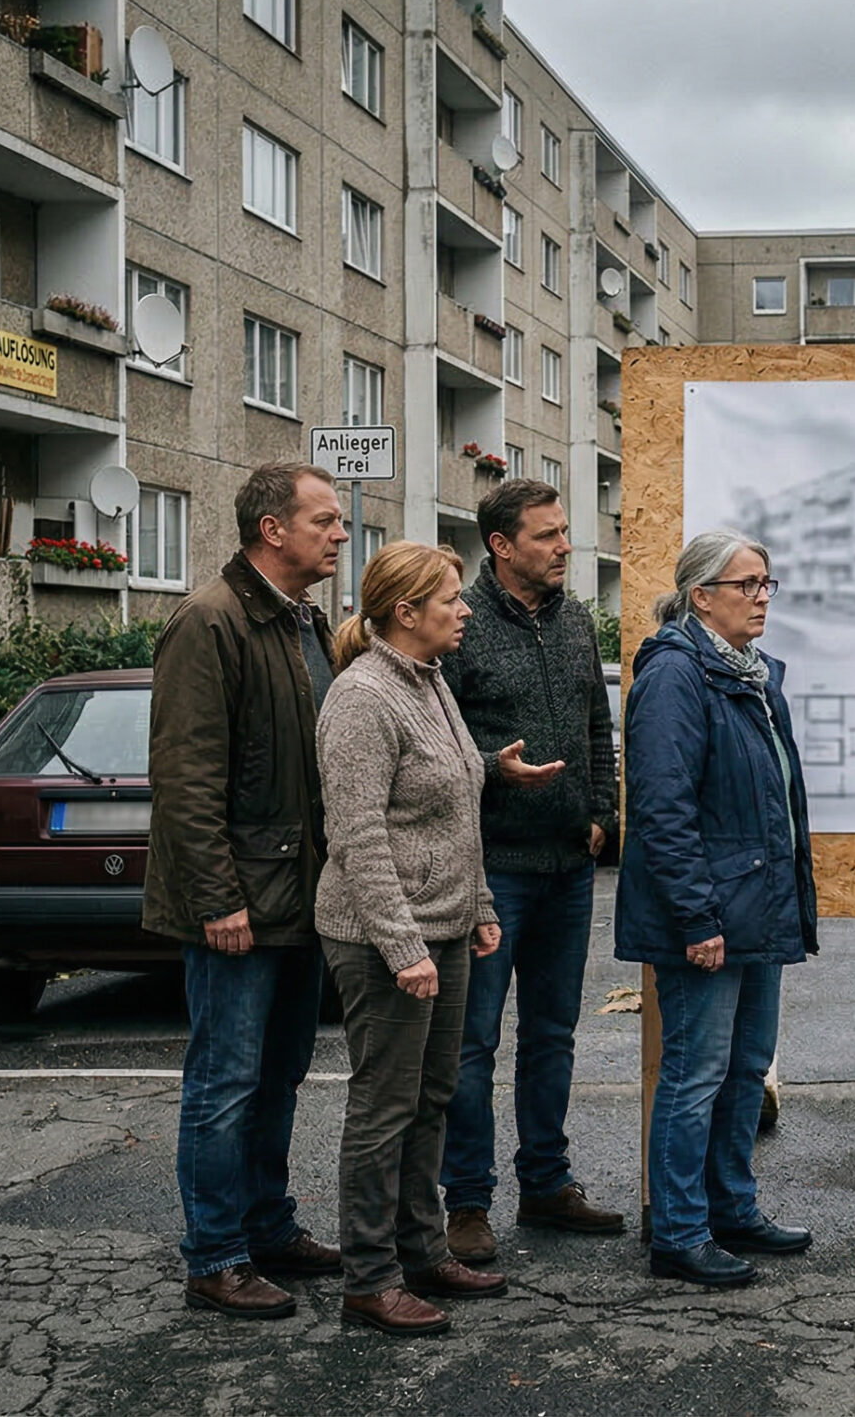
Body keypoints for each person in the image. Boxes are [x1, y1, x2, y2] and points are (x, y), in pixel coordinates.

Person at [146, 462, 349, 1319]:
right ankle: (216, 1254)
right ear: (274, 528)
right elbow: (188, 778)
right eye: (326, 519)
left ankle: (269, 1226)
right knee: (224, 1081)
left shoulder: (306, 622)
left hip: (300, 899)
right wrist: (216, 898)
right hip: (239, 903)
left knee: (278, 1075)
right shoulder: (209, 620)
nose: (340, 533)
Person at [314, 541, 510, 1335]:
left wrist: (482, 903)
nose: (465, 610)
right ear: (406, 612)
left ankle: (422, 1249)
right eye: (451, 599)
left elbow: (461, 797)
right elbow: (357, 835)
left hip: (449, 927)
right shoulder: (363, 698)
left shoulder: (429, 684)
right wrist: (403, 949)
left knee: (434, 1095)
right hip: (381, 937)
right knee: (384, 1105)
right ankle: (369, 1276)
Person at [617, 530, 818, 1290]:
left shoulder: (752, 672)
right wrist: (698, 918)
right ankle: (677, 1229)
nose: (762, 597)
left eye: (768, 582)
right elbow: (663, 810)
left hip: (756, 909)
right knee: (694, 1074)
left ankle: (731, 1206)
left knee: (742, 1070)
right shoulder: (675, 675)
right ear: (702, 596)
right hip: (709, 917)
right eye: (747, 584)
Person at [439, 480, 624, 1262]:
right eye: (547, 536)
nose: (563, 547)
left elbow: (596, 723)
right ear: (501, 546)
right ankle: (468, 1202)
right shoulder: (463, 627)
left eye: (565, 532)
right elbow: (431, 741)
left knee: (552, 1035)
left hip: (566, 867)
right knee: (473, 1041)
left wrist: (603, 812)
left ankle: (547, 1183)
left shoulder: (576, 619)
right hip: (493, 870)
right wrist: (491, 767)